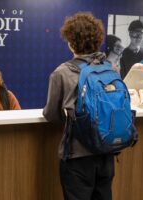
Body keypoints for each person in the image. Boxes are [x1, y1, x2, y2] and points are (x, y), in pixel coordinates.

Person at [43, 12, 114, 200]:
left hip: (77, 156)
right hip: (107, 152)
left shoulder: (62, 72)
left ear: (71, 42)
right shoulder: (110, 69)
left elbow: (51, 115)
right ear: (97, 39)